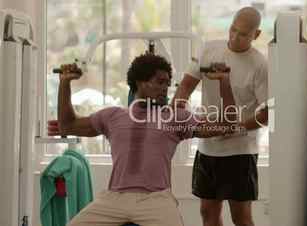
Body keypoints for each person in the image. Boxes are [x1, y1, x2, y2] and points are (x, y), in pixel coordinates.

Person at [48, 53, 240, 226]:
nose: (165, 88)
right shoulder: (112, 116)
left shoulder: (175, 117)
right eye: (159, 82)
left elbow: (227, 125)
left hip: (155, 199)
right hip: (114, 198)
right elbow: (67, 126)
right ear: (139, 82)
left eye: (167, 83)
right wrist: (64, 83)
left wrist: (223, 81)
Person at [172, 6, 268, 226]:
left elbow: (267, 113)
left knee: (241, 217)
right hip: (208, 147)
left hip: (240, 152)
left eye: (243, 34)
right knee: (207, 212)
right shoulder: (209, 49)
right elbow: (186, 86)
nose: (235, 37)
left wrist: (236, 128)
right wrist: (175, 113)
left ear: (257, 35)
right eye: (233, 30)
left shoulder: (260, 64)